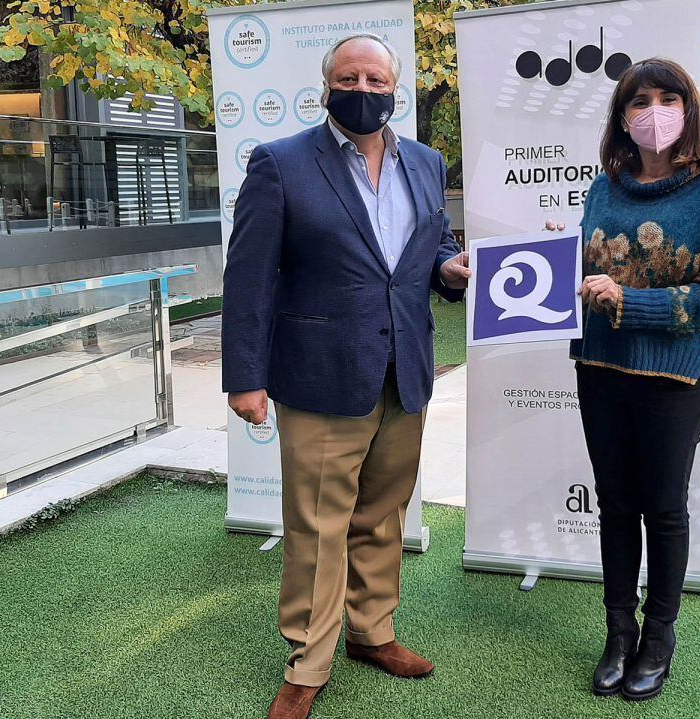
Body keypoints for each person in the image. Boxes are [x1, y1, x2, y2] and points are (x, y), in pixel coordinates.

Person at [221, 33, 470, 719]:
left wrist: (450, 269)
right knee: (317, 526)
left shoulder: (424, 161)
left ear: (396, 89)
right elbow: (248, 279)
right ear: (326, 84)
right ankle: (308, 659)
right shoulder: (280, 164)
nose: (365, 89)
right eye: (351, 77)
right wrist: (245, 377)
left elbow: (435, 245)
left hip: (406, 370)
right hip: (320, 374)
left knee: (382, 513)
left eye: (376, 78)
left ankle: (371, 630)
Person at [569, 58, 700, 702]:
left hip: (675, 376)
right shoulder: (604, 186)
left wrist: (626, 300)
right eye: (638, 101)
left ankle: (659, 635)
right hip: (601, 369)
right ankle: (618, 632)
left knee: (663, 508)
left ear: (689, 109)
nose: (653, 112)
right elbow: (585, 273)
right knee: (615, 503)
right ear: (622, 117)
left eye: (667, 98)